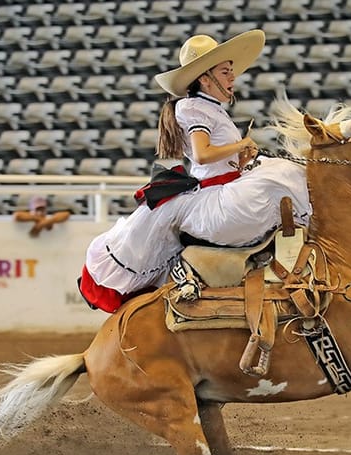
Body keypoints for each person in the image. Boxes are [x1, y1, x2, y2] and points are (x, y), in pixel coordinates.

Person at [78, 29, 312, 313]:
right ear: (205, 78)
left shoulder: (208, 108)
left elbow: (214, 159)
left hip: (223, 186)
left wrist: (241, 155)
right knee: (282, 176)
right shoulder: (193, 108)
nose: (232, 77)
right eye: (225, 72)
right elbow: (202, 154)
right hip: (213, 196)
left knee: (280, 174)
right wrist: (242, 144)